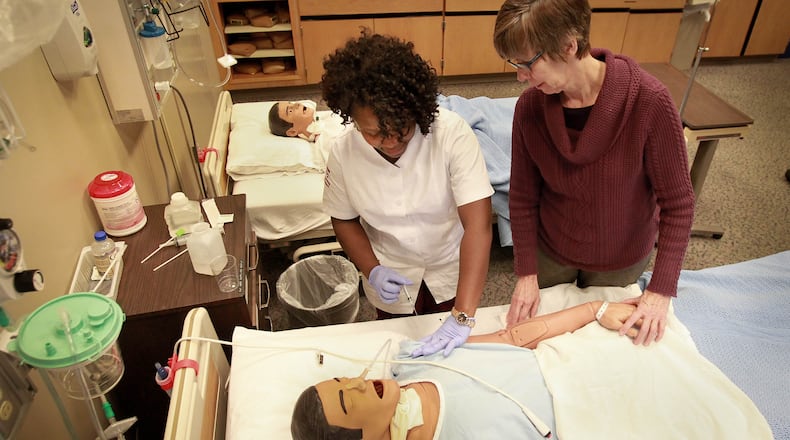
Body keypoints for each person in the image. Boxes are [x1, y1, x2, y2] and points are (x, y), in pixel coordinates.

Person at [492, 0, 695, 346]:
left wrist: (660, 291)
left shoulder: (650, 101)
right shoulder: (529, 108)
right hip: (551, 253)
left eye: (527, 63)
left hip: (619, 259)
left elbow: (678, 204)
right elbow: (524, 198)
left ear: (569, 46)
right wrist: (526, 272)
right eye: (514, 63)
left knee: (611, 353)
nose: (520, 76)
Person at [321, 32, 494, 357]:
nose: (388, 141)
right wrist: (371, 269)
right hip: (391, 270)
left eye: (401, 129)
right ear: (353, 119)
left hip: (451, 264)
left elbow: (479, 225)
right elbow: (343, 219)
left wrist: (463, 315)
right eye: (373, 133)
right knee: (396, 349)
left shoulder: (451, 134)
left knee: (454, 351)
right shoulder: (344, 152)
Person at [290, 300, 639, 439]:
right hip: (610, 416)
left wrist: (594, 309)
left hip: (590, 350)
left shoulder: (413, 361)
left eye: (343, 380)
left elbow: (514, 337)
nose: (358, 383)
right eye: (347, 401)